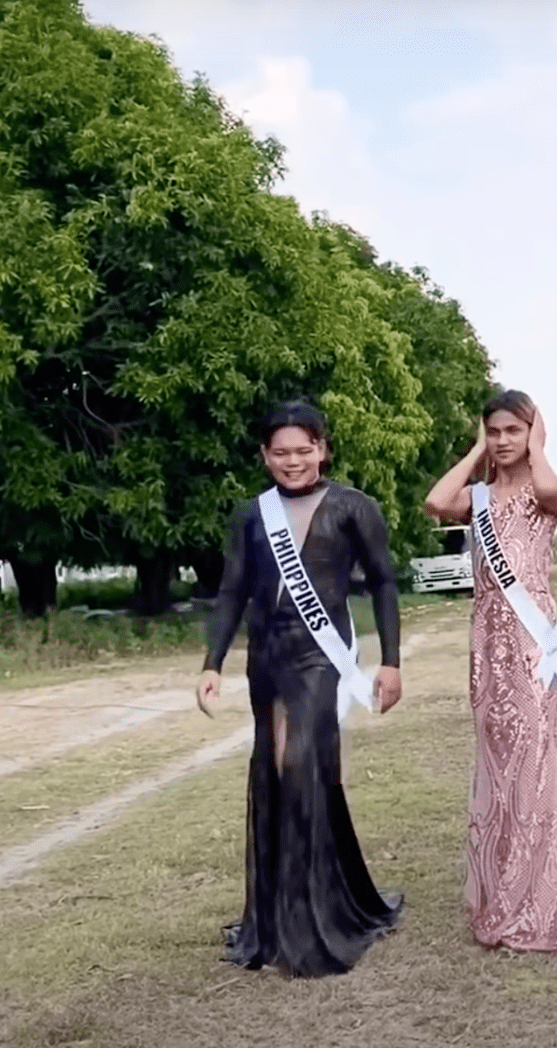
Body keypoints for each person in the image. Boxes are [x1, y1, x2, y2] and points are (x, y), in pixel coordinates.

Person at [196, 399, 404, 977]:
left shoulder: (354, 508)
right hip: (266, 658)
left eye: (303, 450)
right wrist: (211, 662)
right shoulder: (249, 515)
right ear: (265, 455)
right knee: (279, 773)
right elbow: (231, 590)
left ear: (323, 449)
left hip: (322, 656)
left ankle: (308, 923)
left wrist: (391, 662)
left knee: (297, 763)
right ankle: (305, 910)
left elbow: (385, 582)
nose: (293, 461)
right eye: (280, 452)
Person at [426, 389, 557, 955]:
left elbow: (551, 491)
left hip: (531, 642)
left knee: (535, 763)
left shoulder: (547, 494)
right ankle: (501, 899)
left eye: (512, 431)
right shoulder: (479, 497)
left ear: (532, 432)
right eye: (494, 431)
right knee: (497, 770)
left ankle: (542, 905)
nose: (503, 441)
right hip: (487, 638)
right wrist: (475, 451)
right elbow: (437, 501)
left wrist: (538, 444)